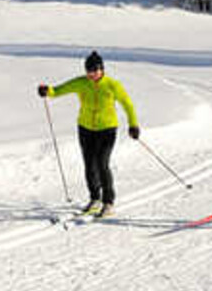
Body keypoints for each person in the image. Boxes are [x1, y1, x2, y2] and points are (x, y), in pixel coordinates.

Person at [37, 51, 140, 218]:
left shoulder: (112, 85)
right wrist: (46, 90)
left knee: (102, 163)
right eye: (89, 71)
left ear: (102, 70)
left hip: (107, 129)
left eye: (94, 71)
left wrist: (133, 124)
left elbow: (127, 104)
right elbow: (58, 90)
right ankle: (95, 199)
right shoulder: (81, 83)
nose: (91, 75)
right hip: (85, 129)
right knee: (89, 165)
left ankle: (108, 202)